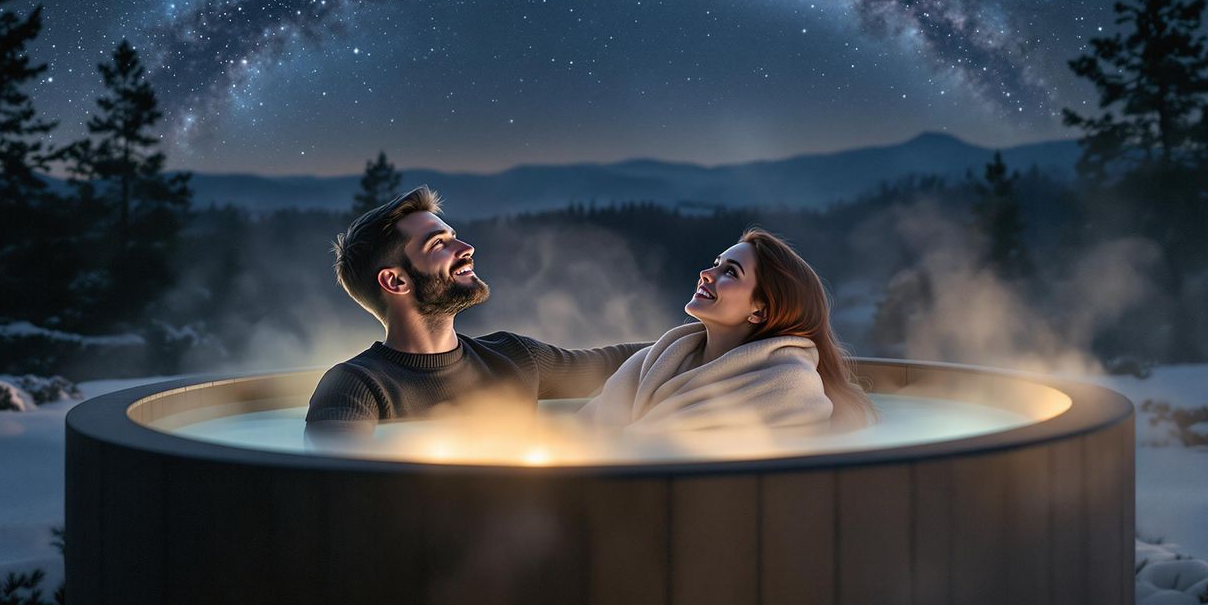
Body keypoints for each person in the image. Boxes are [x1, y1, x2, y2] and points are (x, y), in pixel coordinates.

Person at [305, 186, 646, 435]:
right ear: (395, 281)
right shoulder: (355, 387)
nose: (466, 248)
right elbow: (335, 494)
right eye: (439, 244)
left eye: (454, 236)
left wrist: (699, 332)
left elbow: (626, 363)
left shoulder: (516, 357)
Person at [580, 228, 876, 432]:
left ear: (760, 310)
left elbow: (669, 451)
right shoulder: (654, 361)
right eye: (716, 264)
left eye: (730, 272)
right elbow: (582, 431)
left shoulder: (788, 386)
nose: (706, 275)